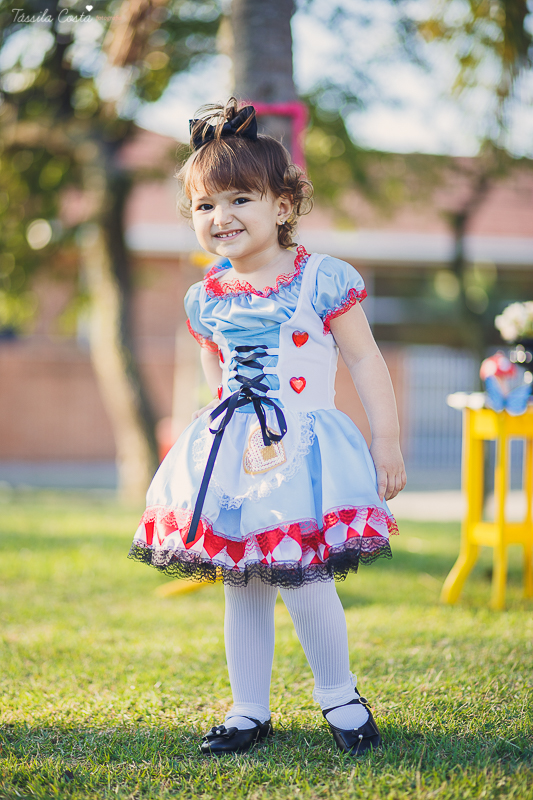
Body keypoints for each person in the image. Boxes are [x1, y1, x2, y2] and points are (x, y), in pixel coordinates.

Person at [129, 98, 406, 757]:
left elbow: (365, 360)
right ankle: (248, 708)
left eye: (239, 199)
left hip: (303, 446)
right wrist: (216, 410)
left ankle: (339, 696)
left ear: (282, 206)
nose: (219, 217)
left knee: (304, 577)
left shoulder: (321, 279)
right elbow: (212, 358)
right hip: (234, 448)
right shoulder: (206, 294)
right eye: (204, 205)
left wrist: (386, 440)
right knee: (243, 582)